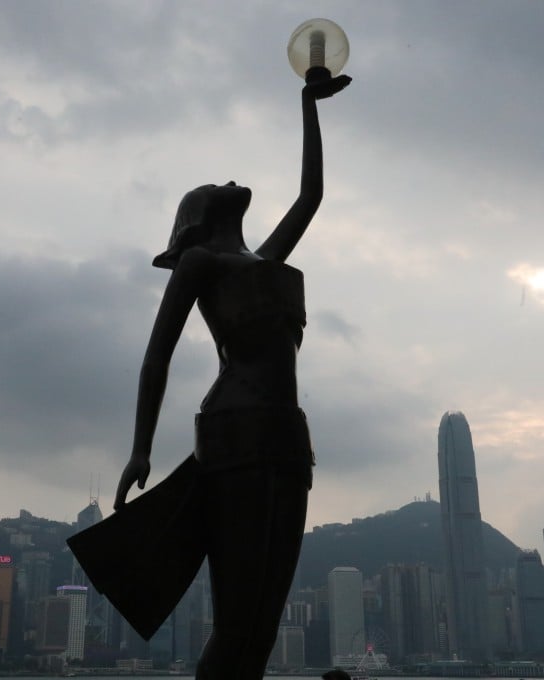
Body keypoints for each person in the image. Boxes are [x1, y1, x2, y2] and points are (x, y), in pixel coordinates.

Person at [111, 72, 351, 678]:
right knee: (238, 617)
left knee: (266, 621)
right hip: (233, 432)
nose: (229, 180)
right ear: (197, 213)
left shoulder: (266, 259)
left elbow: (312, 194)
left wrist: (308, 106)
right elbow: (156, 355)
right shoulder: (199, 263)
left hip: (288, 438)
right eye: (214, 183)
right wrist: (141, 449)